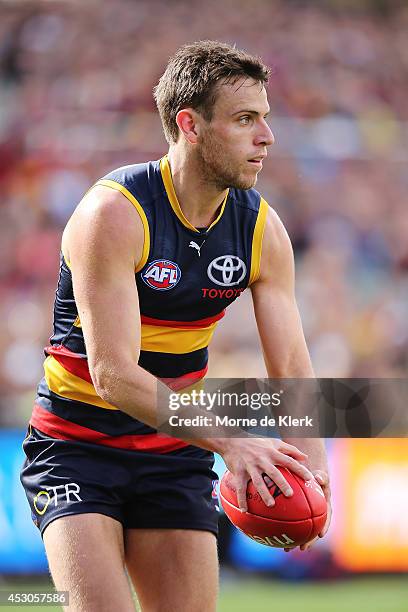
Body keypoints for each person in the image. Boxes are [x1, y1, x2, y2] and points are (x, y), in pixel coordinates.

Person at [20, 40, 331, 612]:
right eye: (245, 120)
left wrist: (309, 469)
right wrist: (232, 443)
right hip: (77, 447)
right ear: (190, 124)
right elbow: (113, 374)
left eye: (265, 118)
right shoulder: (112, 214)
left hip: (175, 448)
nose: (268, 136)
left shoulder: (263, 230)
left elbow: (290, 366)